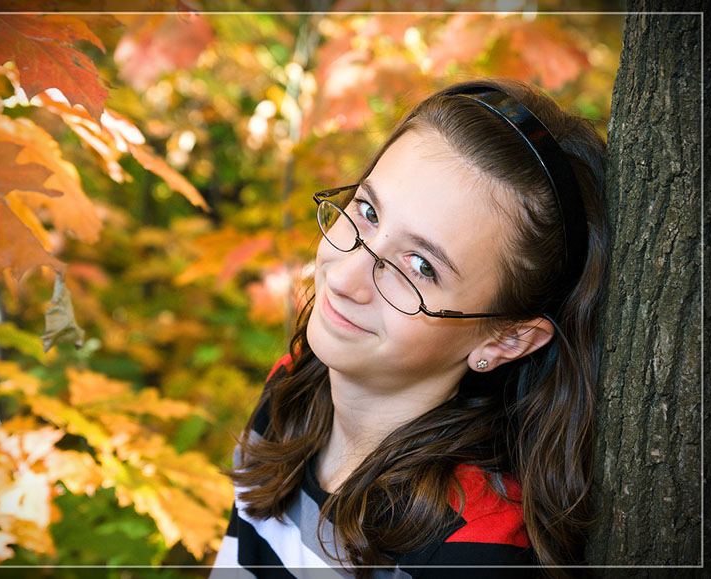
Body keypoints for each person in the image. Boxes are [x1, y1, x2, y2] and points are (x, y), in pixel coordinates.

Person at [211, 78, 609, 578]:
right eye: (368, 211)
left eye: (420, 266)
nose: (347, 276)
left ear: (507, 338)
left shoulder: (471, 552)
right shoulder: (292, 391)